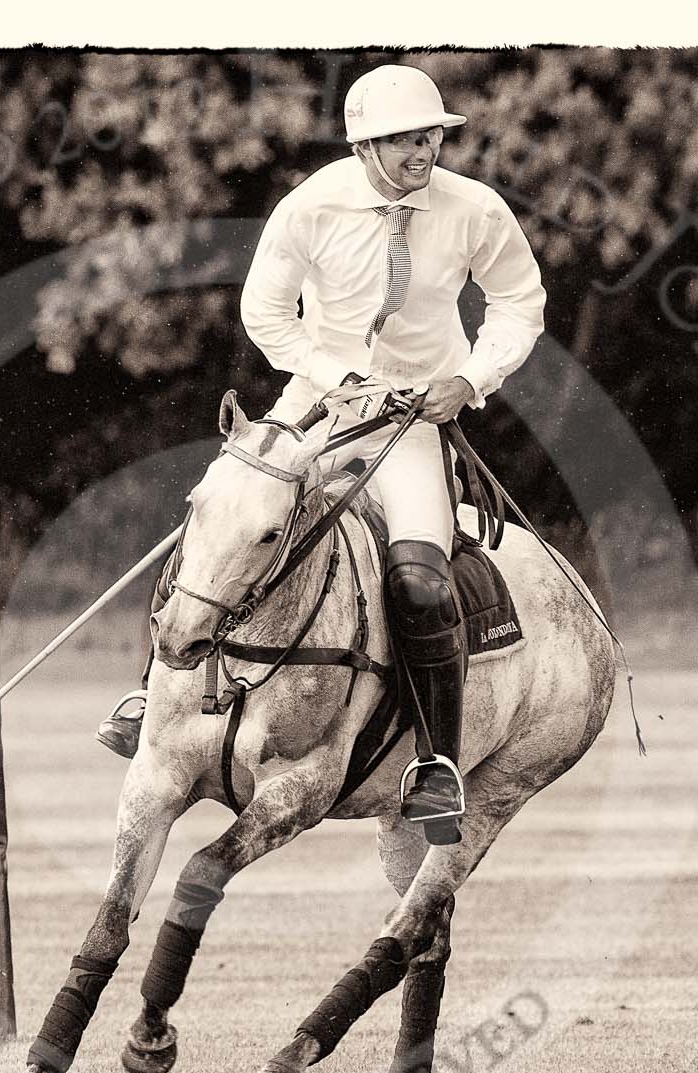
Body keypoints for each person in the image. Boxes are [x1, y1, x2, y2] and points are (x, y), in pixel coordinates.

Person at [98, 62, 546, 837]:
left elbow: (520, 302)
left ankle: (435, 762)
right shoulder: (312, 206)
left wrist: (468, 379)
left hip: (412, 419)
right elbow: (265, 313)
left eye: (431, 136)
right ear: (364, 146)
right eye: (404, 140)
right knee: (223, 514)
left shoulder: (475, 209)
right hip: (318, 403)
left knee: (418, 575)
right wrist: (343, 376)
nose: (422, 151)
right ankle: (152, 693)